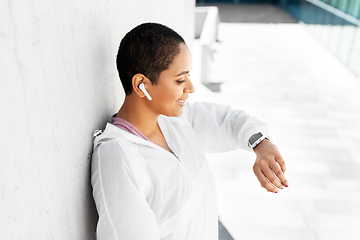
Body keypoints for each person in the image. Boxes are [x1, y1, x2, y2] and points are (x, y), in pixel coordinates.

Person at [91, 22, 288, 240]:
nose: (191, 88)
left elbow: (230, 121)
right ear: (141, 85)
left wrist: (261, 144)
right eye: (180, 79)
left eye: (189, 76)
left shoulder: (176, 120)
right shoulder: (119, 158)